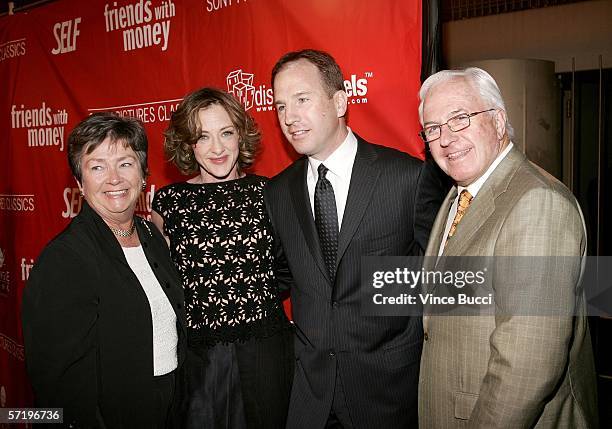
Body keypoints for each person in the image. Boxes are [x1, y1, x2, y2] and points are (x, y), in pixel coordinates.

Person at [264, 49, 443, 429]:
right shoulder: (278, 192)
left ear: (340, 100)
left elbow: (438, 280)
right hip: (311, 396)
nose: (289, 118)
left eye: (302, 100)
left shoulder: (407, 178)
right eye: (280, 106)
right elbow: (283, 275)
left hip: (388, 392)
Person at [417, 67, 598, 428]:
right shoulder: (459, 194)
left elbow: (528, 363)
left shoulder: (537, 202)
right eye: (433, 129)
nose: (446, 138)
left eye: (460, 119)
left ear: (498, 121)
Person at [22, 113, 186, 428]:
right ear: (80, 184)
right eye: (97, 167)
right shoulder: (65, 259)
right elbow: (60, 382)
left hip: (169, 407)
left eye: (125, 163)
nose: (114, 179)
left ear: (143, 174)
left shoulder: (152, 235)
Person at [152, 87, 294, 429]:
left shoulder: (270, 192)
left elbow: (288, 268)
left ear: (240, 136)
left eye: (226, 133)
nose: (217, 148)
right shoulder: (169, 203)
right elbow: (161, 285)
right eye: (203, 137)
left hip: (265, 355)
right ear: (188, 145)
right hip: (199, 362)